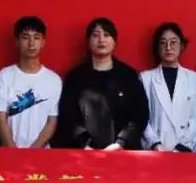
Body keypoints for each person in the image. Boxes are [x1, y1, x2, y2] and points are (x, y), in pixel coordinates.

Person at [54, 17, 149, 150]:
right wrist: (84, 144)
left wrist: (121, 142)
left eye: (107, 35)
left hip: (123, 151)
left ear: (114, 42)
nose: (101, 40)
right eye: (95, 35)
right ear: (88, 42)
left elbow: (140, 114)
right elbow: (68, 116)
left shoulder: (128, 76)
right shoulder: (75, 77)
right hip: (84, 152)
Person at [0, 16, 62, 149]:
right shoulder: (3, 76)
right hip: (9, 152)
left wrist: (33, 152)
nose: (31, 43)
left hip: (41, 153)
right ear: (17, 41)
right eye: (25, 37)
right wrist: (13, 151)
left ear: (43, 42)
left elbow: (52, 121)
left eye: (36, 37)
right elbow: (0, 117)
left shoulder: (54, 80)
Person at [139, 22, 196, 152]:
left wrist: (182, 147)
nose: (168, 47)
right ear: (157, 47)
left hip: (185, 151)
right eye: (163, 43)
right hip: (155, 150)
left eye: (173, 42)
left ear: (182, 46)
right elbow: (141, 115)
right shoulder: (146, 78)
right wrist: (155, 144)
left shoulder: (193, 78)